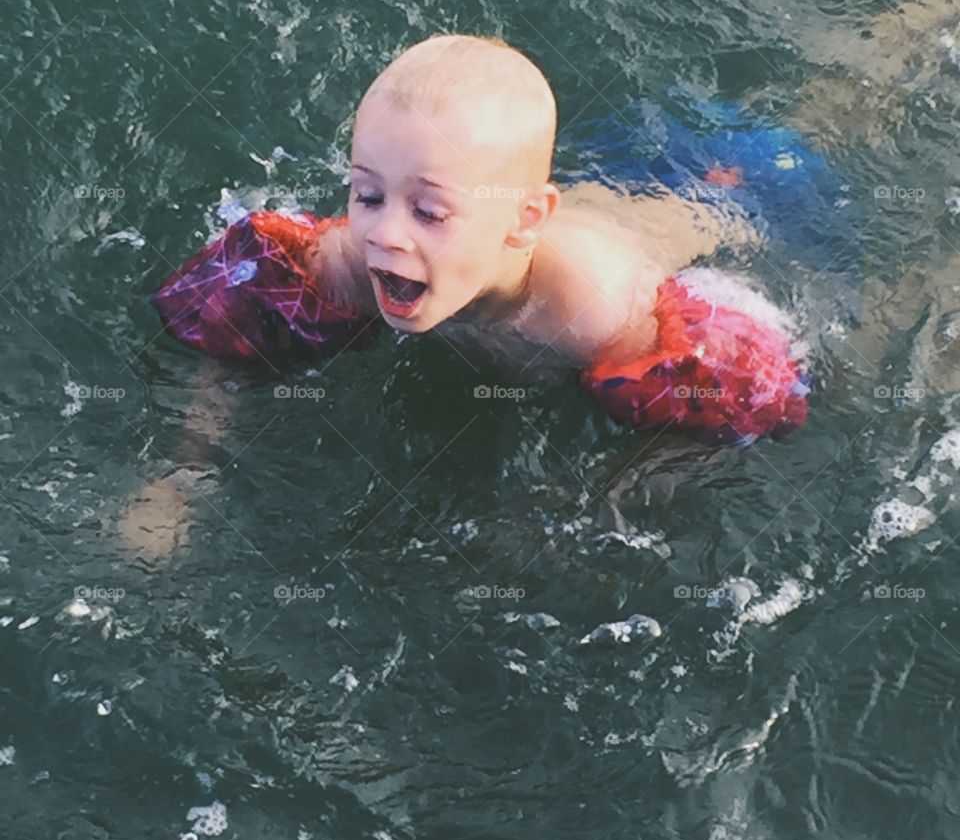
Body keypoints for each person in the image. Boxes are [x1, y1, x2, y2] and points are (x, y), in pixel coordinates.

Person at [119, 34, 818, 555]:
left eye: (427, 212)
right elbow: (241, 337)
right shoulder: (354, 261)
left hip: (741, 188)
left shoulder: (592, 309)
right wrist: (183, 475)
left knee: (839, 104)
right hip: (611, 159)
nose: (384, 234)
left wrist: (592, 498)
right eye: (367, 193)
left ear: (524, 224)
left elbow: (722, 413)